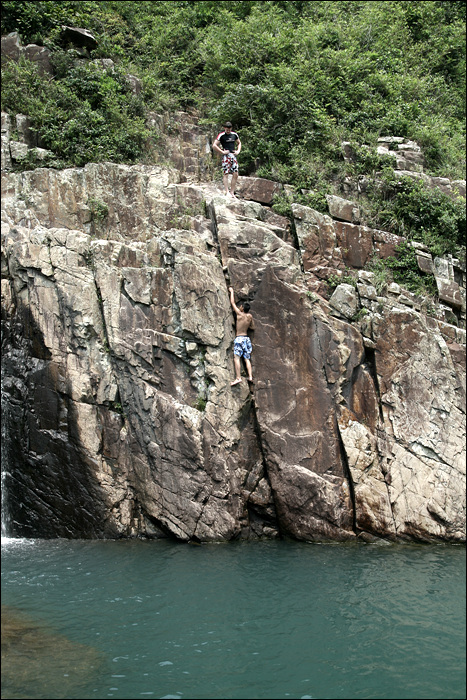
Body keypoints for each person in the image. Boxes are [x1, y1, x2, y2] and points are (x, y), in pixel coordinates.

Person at [229, 286, 254, 386]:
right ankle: (250, 376)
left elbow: (232, 303)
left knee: (236, 358)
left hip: (239, 338)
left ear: (243, 308)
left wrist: (231, 291)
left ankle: (238, 378)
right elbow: (253, 327)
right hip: (246, 339)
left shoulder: (239, 314)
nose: (240, 307)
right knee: (247, 358)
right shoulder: (250, 316)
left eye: (241, 306)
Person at [213, 122, 241, 197]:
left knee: (236, 173)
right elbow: (214, 145)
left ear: (231, 128)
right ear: (224, 128)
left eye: (229, 128)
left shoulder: (234, 134)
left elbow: (239, 143)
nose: (228, 130)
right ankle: (227, 191)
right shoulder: (221, 135)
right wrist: (222, 152)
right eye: (226, 128)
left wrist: (238, 151)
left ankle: (232, 192)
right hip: (226, 156)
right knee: (226, 173)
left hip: (233, 155)